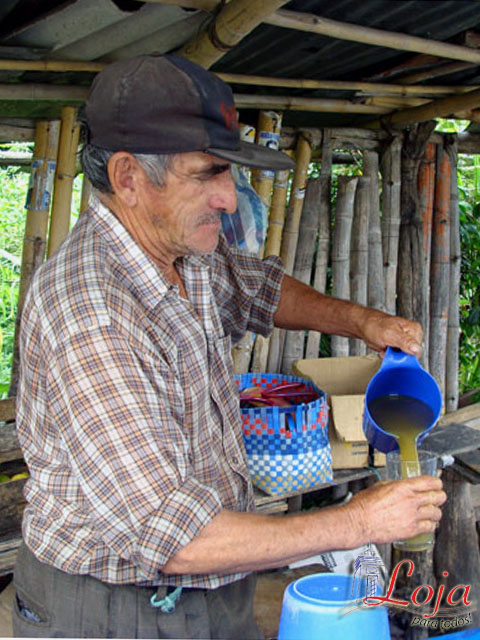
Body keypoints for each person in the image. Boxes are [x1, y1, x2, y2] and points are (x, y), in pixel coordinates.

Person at [13, 54, 445, 639]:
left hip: (214, 579)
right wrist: (359, 520)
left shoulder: (181, 250)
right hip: (117, 608)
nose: (228, 198)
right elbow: (173, 538)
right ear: (128, 178)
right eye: (208, 173)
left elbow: (258, 289)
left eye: (229, 173)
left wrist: (363, 322)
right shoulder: (92, 310)